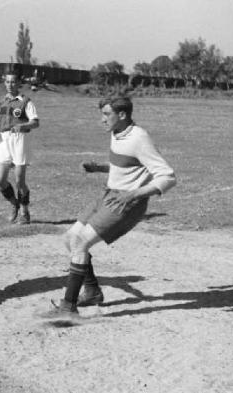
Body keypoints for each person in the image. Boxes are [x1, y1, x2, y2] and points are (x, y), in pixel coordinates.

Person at [47, 96, 176, 316]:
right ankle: (92, 291)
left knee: (80, 244)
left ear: (122, 115)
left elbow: (168, 177)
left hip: (126, 203)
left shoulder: (139, 138)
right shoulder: (118, 133)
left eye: (107, 114)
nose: (102, 120)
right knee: (70, 238)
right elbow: (128, 166)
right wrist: (98, 168)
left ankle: (68, 307)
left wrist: (133, 195)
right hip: (108, 195)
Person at [0, 71, 40, 224]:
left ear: (19, 84)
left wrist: (22, 126)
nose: (10, 85)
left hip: (20, 141)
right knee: (0, 180)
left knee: (19, 181)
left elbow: (35, 122)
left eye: (13, 82)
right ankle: (14, 204)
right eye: (7, 81)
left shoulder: (26, 102)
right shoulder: (1, 101)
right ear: (4, 83)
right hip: (3, 141)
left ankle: (24, 212)